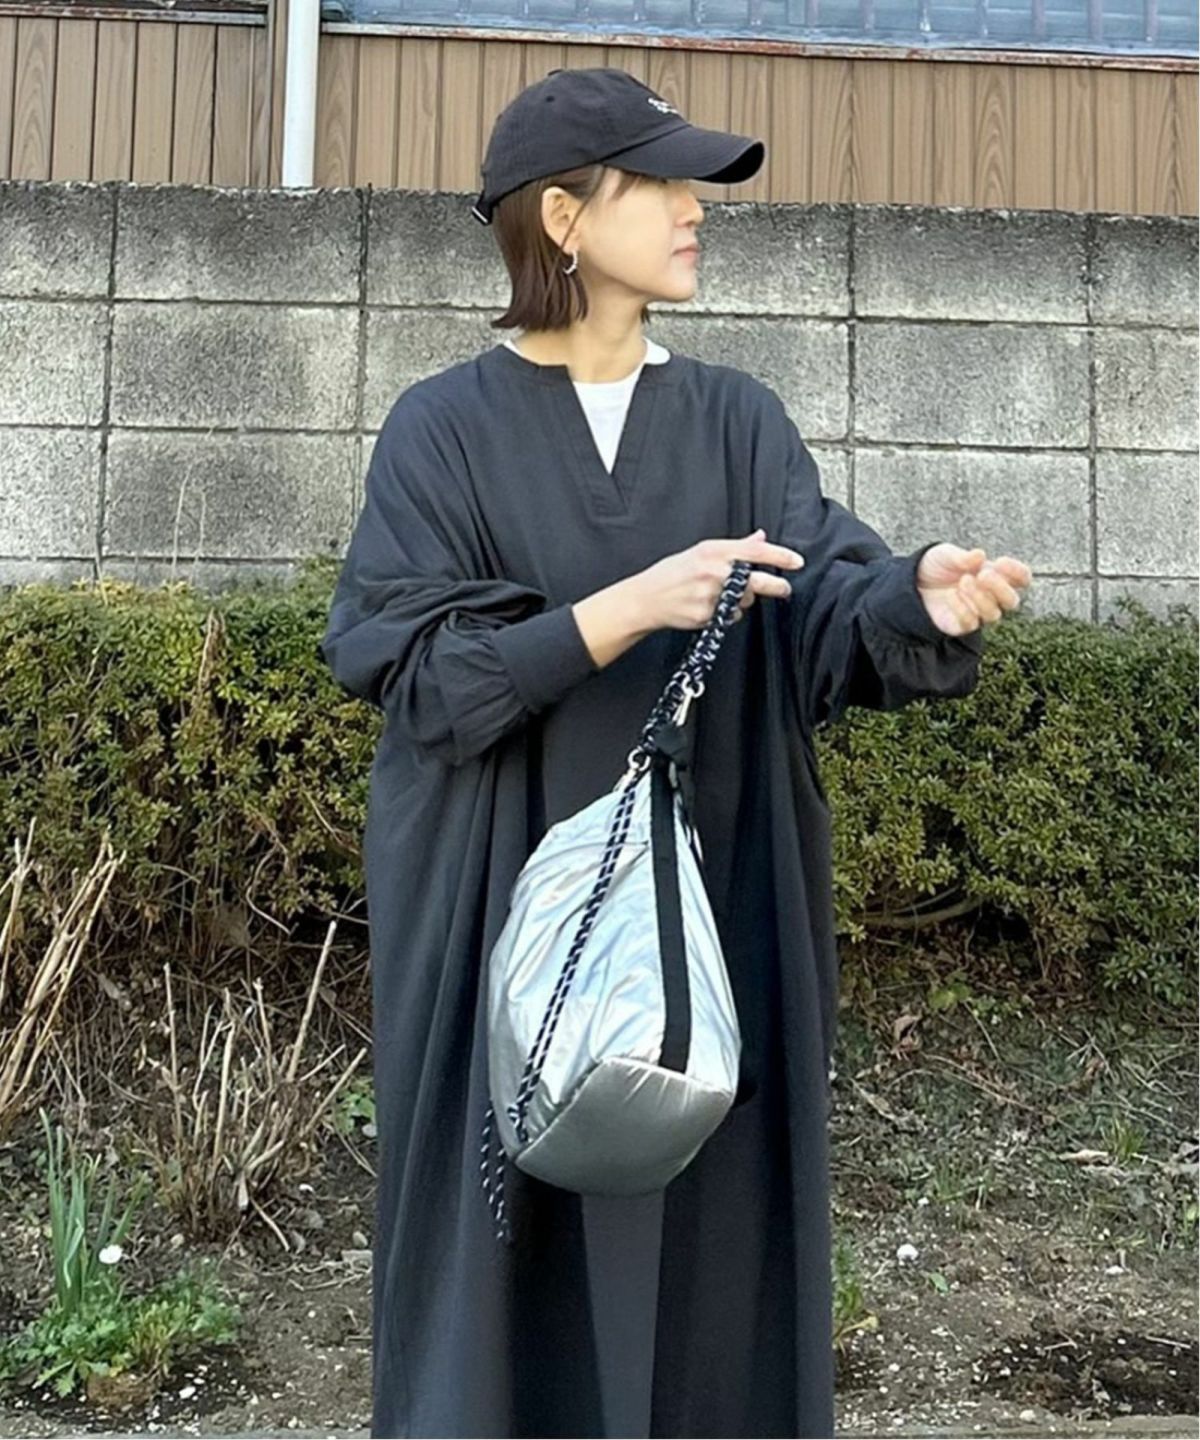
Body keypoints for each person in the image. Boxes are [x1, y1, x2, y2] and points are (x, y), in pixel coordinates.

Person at [320, 66, 1032, 1440]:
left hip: (710, 905)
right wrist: (630, 606)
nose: (696, 209)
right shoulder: (440, 433)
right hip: (499, 906)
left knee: (713, 1244)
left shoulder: (737, 421)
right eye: (660, 184)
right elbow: (420, 678)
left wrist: (914, 599)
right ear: (564, 218)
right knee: (501, 1259)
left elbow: (820, 602)